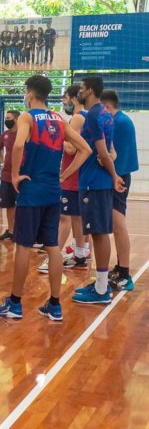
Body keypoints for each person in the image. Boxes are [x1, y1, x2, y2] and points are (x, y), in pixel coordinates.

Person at [0, 75, 91, 321]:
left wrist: (14, 176)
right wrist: (63, 176)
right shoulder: (58, 118)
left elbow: (17, 146)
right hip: (52, 192)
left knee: (23, 245)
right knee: (52, 246)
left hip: (32, 190)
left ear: (30, 93)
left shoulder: (28, 117)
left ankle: (14, 303)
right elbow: (86, 149)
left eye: (25, 92)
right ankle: (55, 305)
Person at [72, 76, 126, 304]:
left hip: (94, 181)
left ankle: (102, 290)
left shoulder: (93, 115)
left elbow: (103, 152)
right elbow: (110, 149)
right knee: (99, 232)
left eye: (81, 89)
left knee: (99, 233)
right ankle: (101, 284)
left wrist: (114, 176)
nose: (78, 93)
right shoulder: (104, 113)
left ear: (90, 90)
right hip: (97, 180)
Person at [37, 85, 89, 273]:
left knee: (64, 217)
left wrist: (57, 136)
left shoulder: (77, 117)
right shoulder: (87, 116)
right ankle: (80, 254)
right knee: (76, 217)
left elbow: (71, 148)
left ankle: (54, 257)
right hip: (79, 174)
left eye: (66, 98)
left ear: (75, 98)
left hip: (72, 173)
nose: (64, 102)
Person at [101, 90, 138, 291]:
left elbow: (115, 156)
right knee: (116, 225)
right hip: (117, 176)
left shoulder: (120, 123)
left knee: (118, 224)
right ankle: (119, 267)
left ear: (107, 106)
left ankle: (124, 273)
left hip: (120, 177)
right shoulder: (120, 120)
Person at [0, 110, 19, 240]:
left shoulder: (23, 134)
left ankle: (21, 231)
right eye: (5, 117)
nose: (6, 120)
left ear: (16, 119)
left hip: (20, 176)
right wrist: (2, 162)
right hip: (6, 176)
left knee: (21, 205)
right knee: (8, 204)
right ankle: (11, 230)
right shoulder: (5, 135)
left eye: (8, 118)